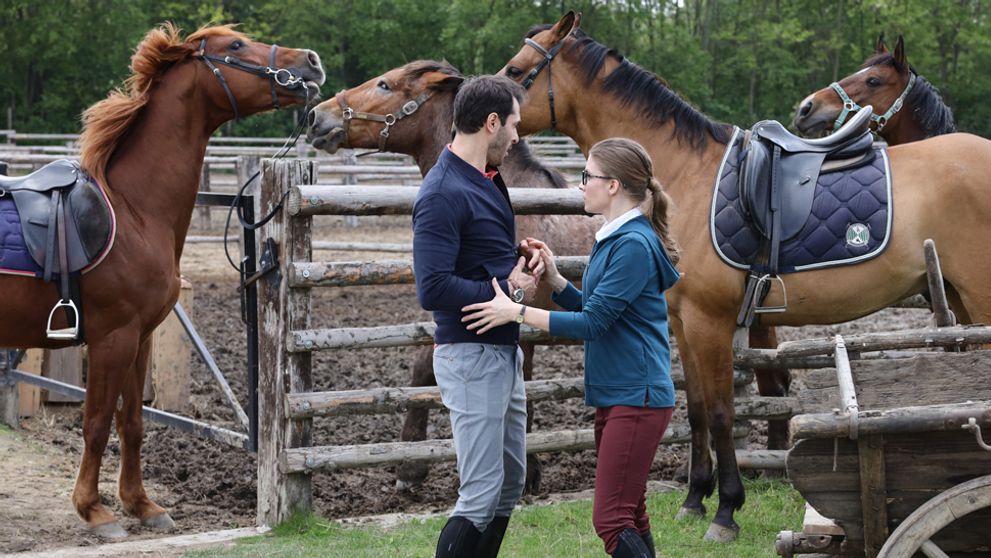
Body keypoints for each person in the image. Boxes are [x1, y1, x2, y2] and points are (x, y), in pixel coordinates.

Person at [462, 137, 681, 558]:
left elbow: (593, 324)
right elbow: (600, 308)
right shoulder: (616, 237)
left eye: (588, 177)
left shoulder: (633, 244)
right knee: (630, 515)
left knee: (611, 521)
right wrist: (557, 281)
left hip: (637, 397)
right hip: (621, 394)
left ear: (613, 185)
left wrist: (516, 313)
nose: (581, 185)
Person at [412, 74, 544, 558]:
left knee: (508, 487)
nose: (517, 137)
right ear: (491, 123)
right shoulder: (443, 191)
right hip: (470, 355)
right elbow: (433, 286)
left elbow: (477, 256)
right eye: (513, 124)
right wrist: (511, 287)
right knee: (481, 492)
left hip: (502, 352)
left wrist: (517, 253)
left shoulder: (485, 179)